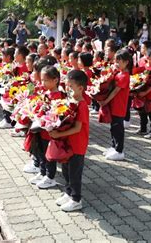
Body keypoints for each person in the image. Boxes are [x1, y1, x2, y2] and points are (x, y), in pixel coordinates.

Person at [49, 70, 89, 212]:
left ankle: (76, 199)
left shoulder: (82, 105)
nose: (68, 89)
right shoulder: (70, 102)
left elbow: (78, 128)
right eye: (66, 86)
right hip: (68, 144)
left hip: (77, 145)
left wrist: (60, 134)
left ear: (80, 88)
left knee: (74, 173)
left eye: (71, 86)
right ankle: (68, 192)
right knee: (66, 170)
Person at [29, 65, 61, 190]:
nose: (43, 83)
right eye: (42, 80)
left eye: (46, 80)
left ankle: (50, 177)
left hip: (49, 132)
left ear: (55, 80)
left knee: (49, 155)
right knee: (41, 152)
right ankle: (43, 172)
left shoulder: (58, 96)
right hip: (41, 130)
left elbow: (56, 114)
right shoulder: (45, 93)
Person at [99, 49, 132, 161]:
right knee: (113, 128)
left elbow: (115, 92)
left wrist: (105, 101)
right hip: (114, 106)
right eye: (115, 61)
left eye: (119, 62)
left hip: (119, 106)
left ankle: (119, 150)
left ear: (126, 62)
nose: (116, 64)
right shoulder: (119, 73)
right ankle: (114, 147)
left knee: (118, 129)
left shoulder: (124, 76)